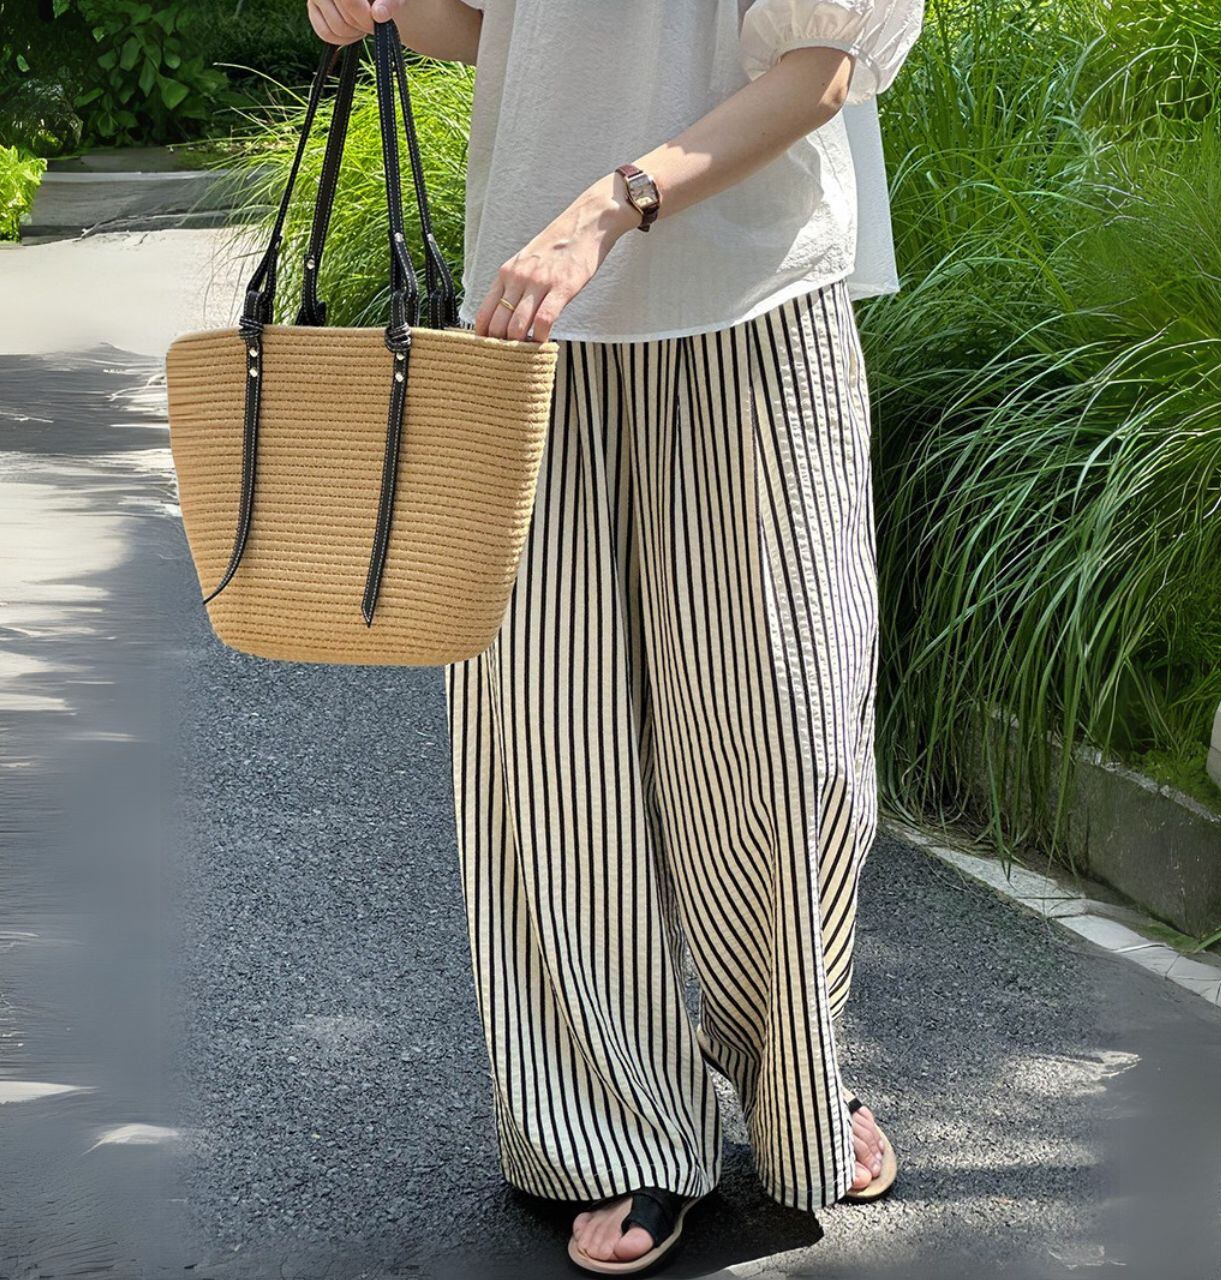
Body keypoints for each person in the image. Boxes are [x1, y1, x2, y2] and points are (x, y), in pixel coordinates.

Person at [308, 1, 922, 1272]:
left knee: (792, 737)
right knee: (554, 748)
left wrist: (609, 204)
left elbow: (821, 67)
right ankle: (617, 1127)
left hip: (753, 301)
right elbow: (492, 31)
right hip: (533, 327)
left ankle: (793, 1071)